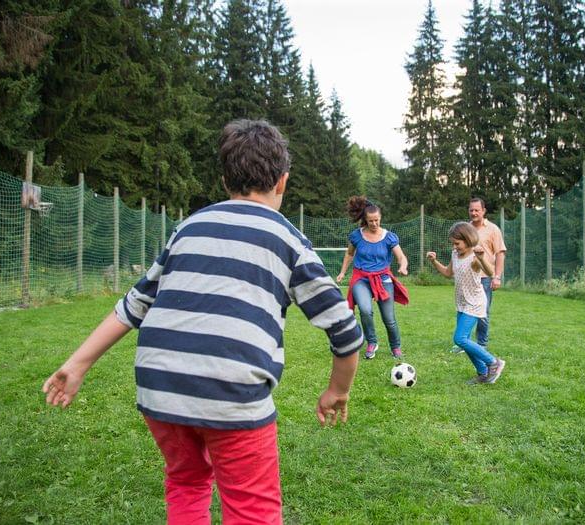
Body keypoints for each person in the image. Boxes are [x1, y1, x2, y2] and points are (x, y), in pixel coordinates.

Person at [42, 119, 363, 525]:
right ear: (282, 182)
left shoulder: (188, 228)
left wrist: (77, 364)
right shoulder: (289, 240)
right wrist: (338, 390)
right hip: (232, 391)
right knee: (252, 509)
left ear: (225, 178)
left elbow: (134, 303)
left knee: (187, 481)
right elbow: (345, 330)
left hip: (159, 388)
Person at [426, 222, 505, 385]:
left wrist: (483, 258)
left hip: (475, 303)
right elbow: (448, 273)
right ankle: (483, 373)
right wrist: (434, 261)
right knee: (465, 340)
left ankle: (493, 362)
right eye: (453, 243)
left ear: (468, 240)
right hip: (462, 303)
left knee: (460, 339)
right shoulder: (455, 254)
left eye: (457, 243)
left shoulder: (475, 257)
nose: (454, 247)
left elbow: (490, 273)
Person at [336, 196, 409, 360]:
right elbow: (349, 254)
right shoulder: (356, 236)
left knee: (389, 318)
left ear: (380, 218)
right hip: (360, 278)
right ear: (365, 220)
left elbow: (401, 257)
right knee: (365, 310)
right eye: (370, 221)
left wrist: (403, 266)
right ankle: (372, 342)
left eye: (376, 220)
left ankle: (395, 346)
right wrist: (342, 272)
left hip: (383, 278)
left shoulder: (389, 237)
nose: (374, 224)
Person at [464, 197, 507, 350]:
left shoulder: (493, 229)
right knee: (465, 310)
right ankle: (464, 343)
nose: (474, 213)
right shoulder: (465, 229)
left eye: (477, 210)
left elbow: (500, 253)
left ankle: (481, 344)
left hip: (485, 278)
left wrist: (497, 276)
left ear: (483, 211)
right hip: (468, 277)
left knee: (483, 312)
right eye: (471, 210)